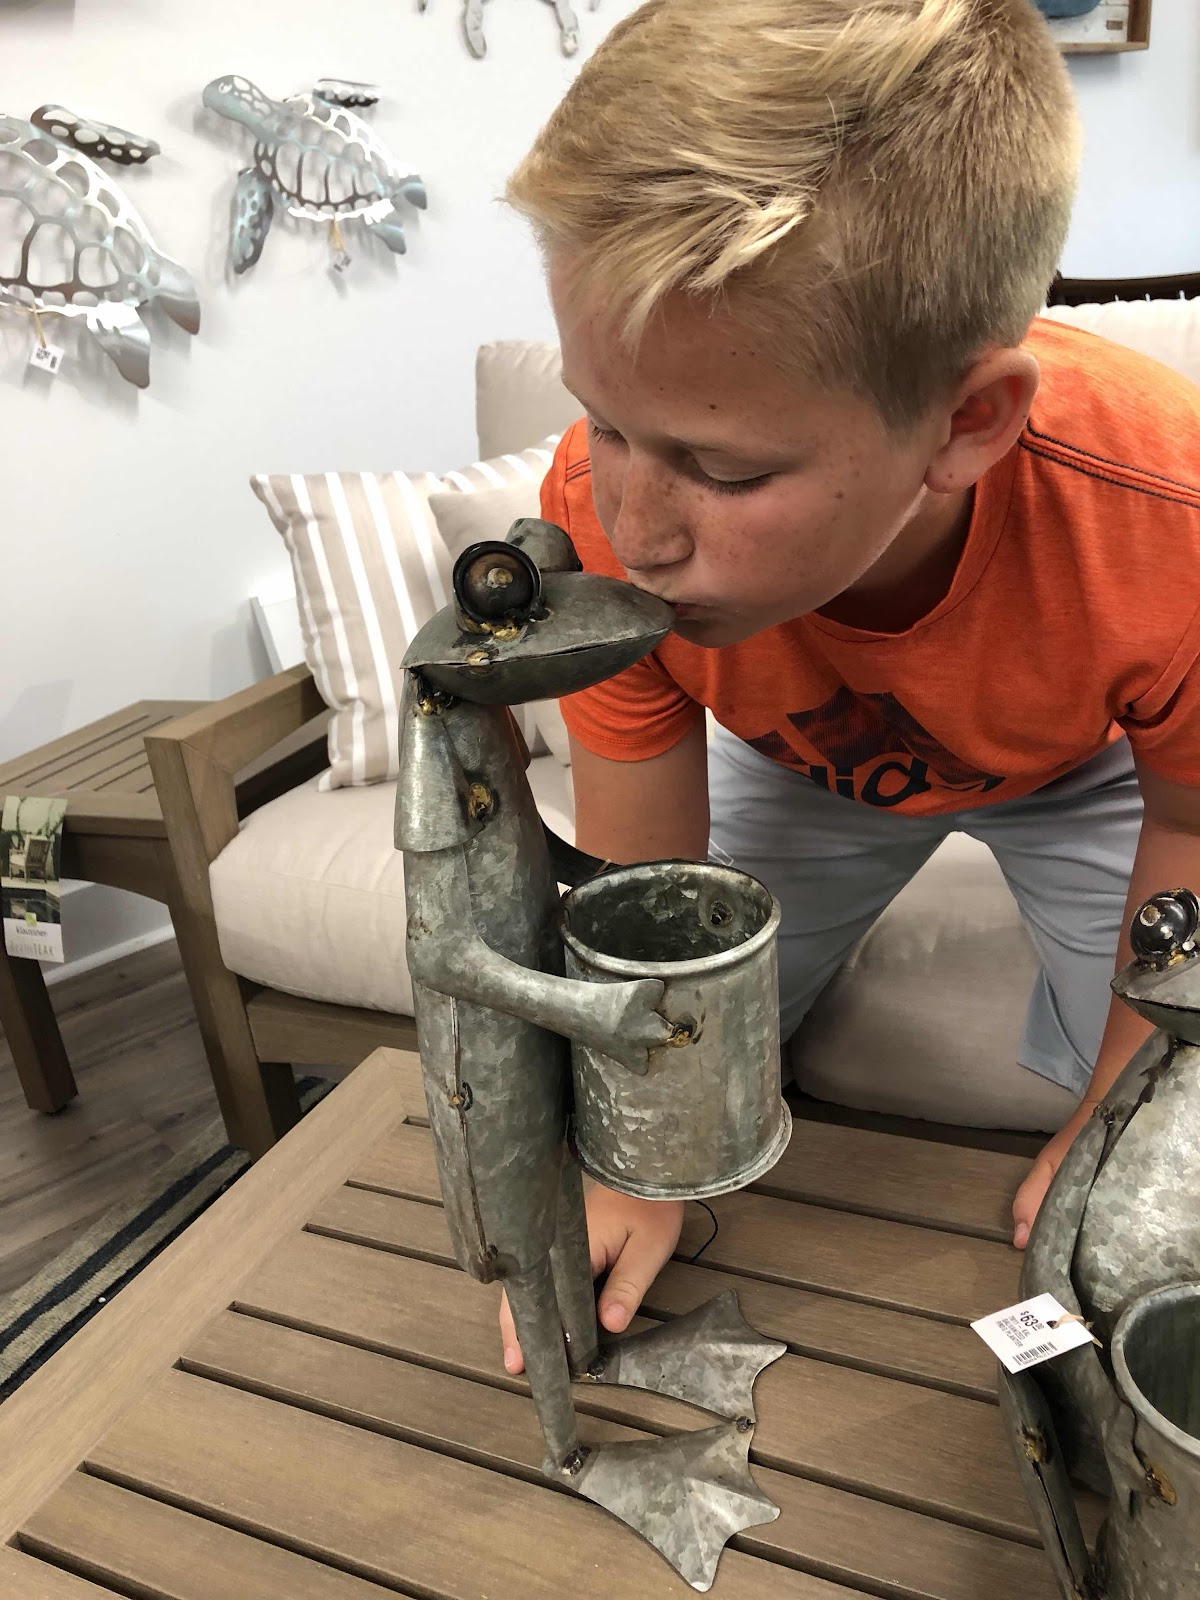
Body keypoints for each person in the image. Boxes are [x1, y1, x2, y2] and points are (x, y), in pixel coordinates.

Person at [495, 0, 1200, 1375]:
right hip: (802, 758)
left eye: (724, 469)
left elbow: (1190, 829)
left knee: (1168, 1118)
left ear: (968, 422)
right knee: (697, 1066)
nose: (636, 532)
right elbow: (647, 893)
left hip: (1088, 769)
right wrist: (647, 1156)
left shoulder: (1165, 516)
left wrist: (1108, 1120)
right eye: (607, 423)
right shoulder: (594, 514)